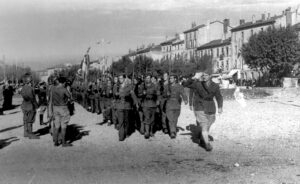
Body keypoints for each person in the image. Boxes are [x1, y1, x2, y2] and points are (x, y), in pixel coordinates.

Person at [183, 69, 223, 151]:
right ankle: (207, 144)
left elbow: (219, 97)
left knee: (210, 122)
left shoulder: (215, 86)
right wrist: (193, 78)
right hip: (200, 106)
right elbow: (185, 84)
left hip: (210, 106)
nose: (204, 77)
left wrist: (220, 107)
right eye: (203, 75)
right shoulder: (198, 84)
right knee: (204, 124)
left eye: (206, 75)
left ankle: (202, 138)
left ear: (210, 76)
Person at [115, 74, 138, 141]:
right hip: (119, 106)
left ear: (124, 79)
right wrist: (116, 95)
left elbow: (133, 95)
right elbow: (114, 95)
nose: (120, 80)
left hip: (127, 106)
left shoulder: (129, 87)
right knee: (121, 121)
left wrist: (136, 103)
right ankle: (121, 136)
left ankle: (126, 132)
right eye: (119, 78)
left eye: (121, 78)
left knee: (126, 121)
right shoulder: (117, 86)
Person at [51, 76, 72, 147]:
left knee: (56, 126)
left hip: (55, 108)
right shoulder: (64, 89)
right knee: (64, 126)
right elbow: (70, 97)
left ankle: (56, 142)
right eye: (65, 83)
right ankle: (63, 142)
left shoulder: (53, 89)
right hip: (63, 108)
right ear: (63, 83)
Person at [165, 73, 188, 139]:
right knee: (170, 118)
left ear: (175, 79)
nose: (170, 79)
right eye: (169, 78)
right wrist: (166, 94)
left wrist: (185, 99)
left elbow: (183, 93)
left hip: (177, 104)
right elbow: (163, 95)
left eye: (171, 78)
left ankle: (173, 129)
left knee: (175, 118)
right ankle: (172, 132)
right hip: (169, 104)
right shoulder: (167, 86)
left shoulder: (179, 86)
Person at [141, 73, 160, 139]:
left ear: (151, 79)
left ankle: (151, 131)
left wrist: (158, 100)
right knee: (147, 118)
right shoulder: (142, 86)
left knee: (152, 119)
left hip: (153, 103)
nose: (147, 79)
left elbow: (158, 94)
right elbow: (138, 94)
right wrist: (142, 94)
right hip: (145, 103)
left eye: (149, 78)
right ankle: (147, 132)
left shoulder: (154, 86)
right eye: (146, 78)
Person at [20, 75, 39, 139]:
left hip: (24, 105)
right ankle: (30, 134)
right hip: (30, 105)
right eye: (31, 81)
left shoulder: (23, 88)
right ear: (29, 81)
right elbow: (32, 98)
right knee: (30, 120)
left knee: (25, 119)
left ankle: (26, 133)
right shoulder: (30, 88)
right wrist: (36, 106)